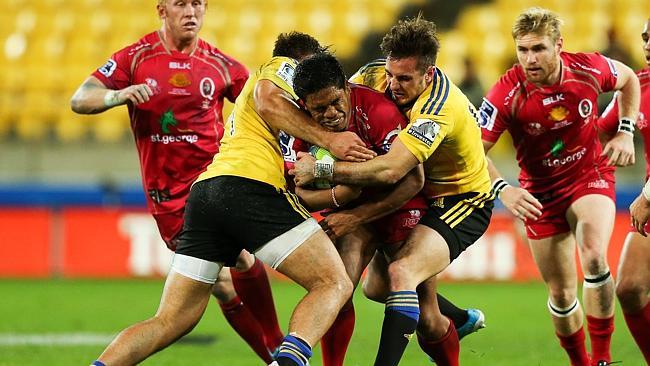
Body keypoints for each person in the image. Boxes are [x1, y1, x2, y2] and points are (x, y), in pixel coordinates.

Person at [83, 29, 376, 366]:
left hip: (207, 193)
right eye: (311, 71)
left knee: (171, 321)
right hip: (249, 187)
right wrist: (333, 141)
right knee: (333, 283)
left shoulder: (288, 119)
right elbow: (268, 98)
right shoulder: (283, 68)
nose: (314, 83)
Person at [69, 0, 287, 362]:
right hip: (168, 198)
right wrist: (117, 95)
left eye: (198, 3)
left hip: (216, 182)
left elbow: (262, 109)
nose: (191, 11)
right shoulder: (134, 59)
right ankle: (276, 351)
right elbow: (80, 99)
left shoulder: (222, 66)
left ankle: (277, 347)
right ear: (162, 10)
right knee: (217, 287)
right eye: (181, 3)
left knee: (242, 260)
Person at [291, 16, 493, 366]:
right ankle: (458, 319)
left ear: (428, 75)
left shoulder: (438, 107)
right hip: (401, 192)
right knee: (370, 287)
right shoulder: (372, 75)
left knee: (410, 288)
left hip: (458, 199)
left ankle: (445, 328)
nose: (393, 85)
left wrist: (323, 170)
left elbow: (394, 170)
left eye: (404, 79)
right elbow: (344, 102)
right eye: (390, 74)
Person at [478, 7, 640, 366]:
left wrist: (626, 132)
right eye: (523, 50)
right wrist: (503, 189)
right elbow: (472, 151)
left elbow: (629, 79)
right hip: (539, 194)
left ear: (559, 46)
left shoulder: (588, 68)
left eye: (538, 49)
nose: (530, 58)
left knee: (595, 255)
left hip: (590, 174)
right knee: (562, 293)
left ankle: (602, 359)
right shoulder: (506, 92)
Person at [597, 17, 650, 363]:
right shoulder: (637, 87)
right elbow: (596, 132)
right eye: (645, 37)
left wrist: (646, 196)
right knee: (629, 286)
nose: (648, 44)